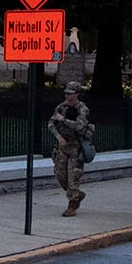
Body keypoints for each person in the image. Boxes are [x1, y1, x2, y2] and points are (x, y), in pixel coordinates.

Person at [47, 81, 92, 217]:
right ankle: (77, 194)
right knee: (60, 175)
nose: (68, 96)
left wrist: (64, 120)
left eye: (70, 94)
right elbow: (51, 123)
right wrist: (58, 136)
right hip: (62, 147)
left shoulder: (82, 109)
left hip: (76, 148)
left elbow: (79, 126)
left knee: (73, 178)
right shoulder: (61, 107)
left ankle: (72, 205)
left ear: (77, 94)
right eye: (66, 93)